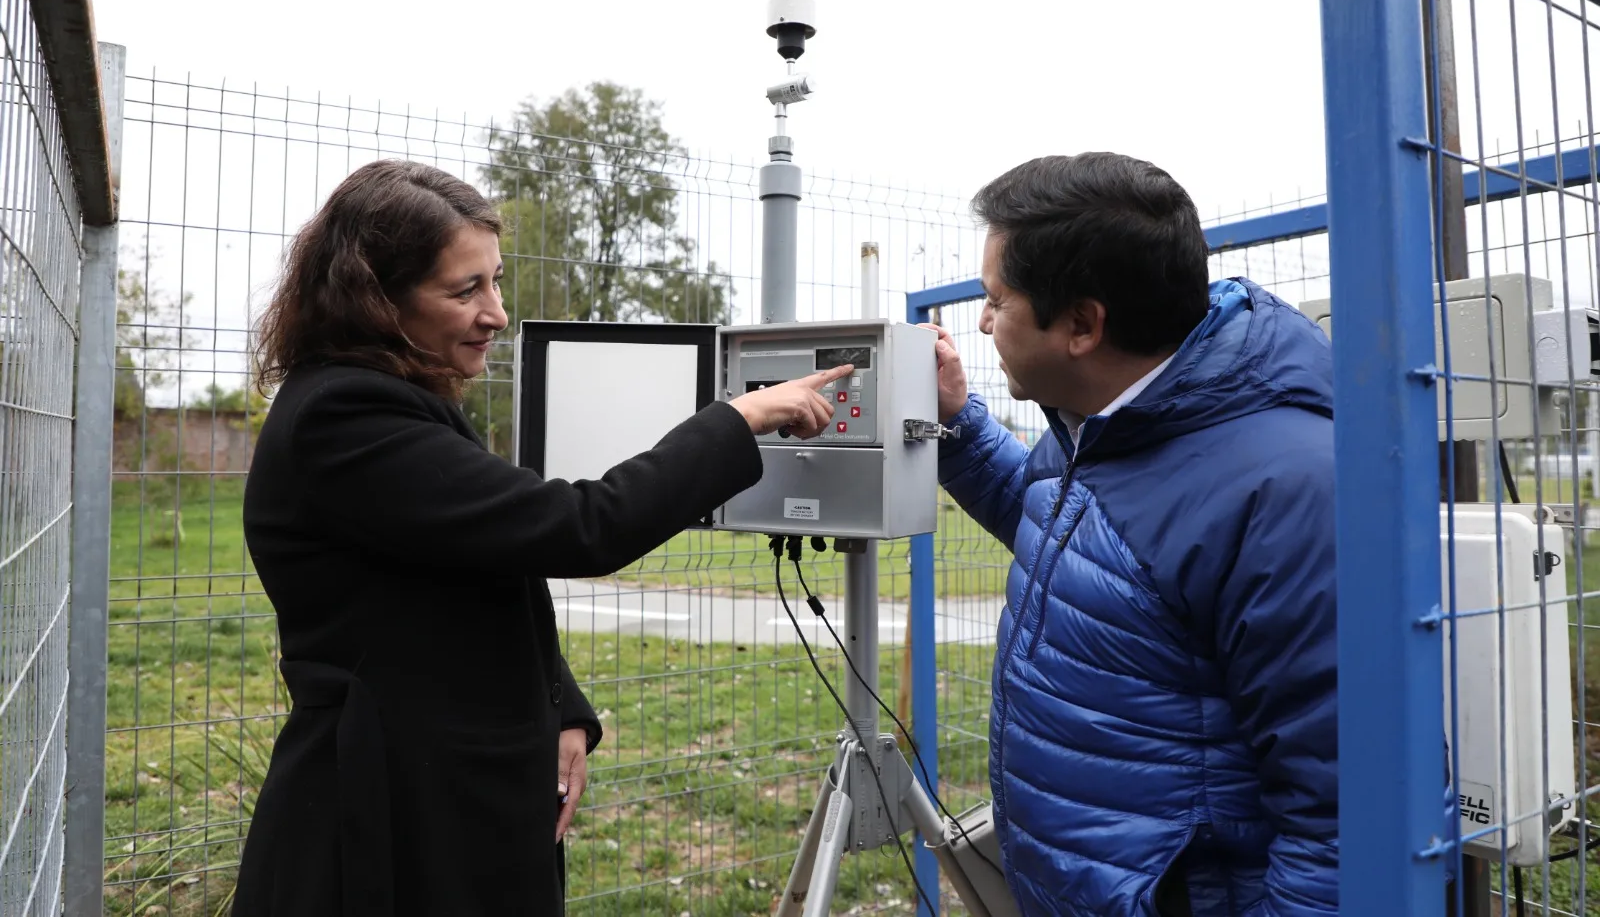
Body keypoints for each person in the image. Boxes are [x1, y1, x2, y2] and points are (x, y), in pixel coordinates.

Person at [230, 159, 852, 917]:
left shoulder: (396, 403)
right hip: (387, 815)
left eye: (494, 280)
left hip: (440, 789)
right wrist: (738, 420)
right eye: (466, 290)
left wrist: (562, 707)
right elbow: (577, 527)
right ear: (376, 302)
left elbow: (484, 567)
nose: (496, 312)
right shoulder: (346, 421)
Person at [927, 152, 1337, 916]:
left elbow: (1342, 816)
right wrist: (957, 424)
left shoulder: (1286, 491)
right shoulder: (1103, 423)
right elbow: (1080, 540)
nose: (982, 321)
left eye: (996, 299)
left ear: (1082, 324)